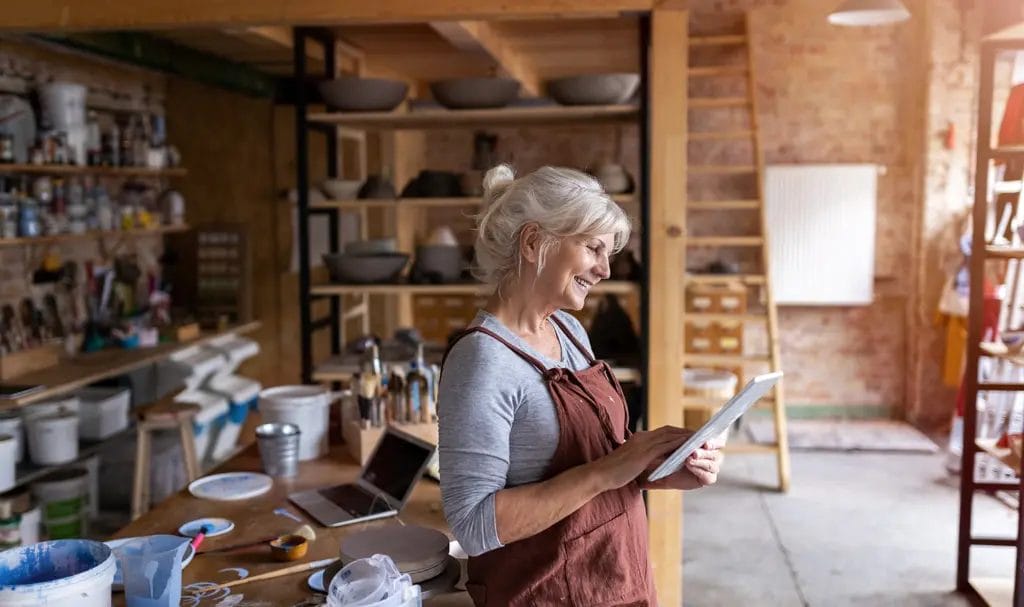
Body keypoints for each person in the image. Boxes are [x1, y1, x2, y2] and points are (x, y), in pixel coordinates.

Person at [437, 164, 724, 607]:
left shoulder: (569, 330)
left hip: (613, 579)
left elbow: (601, 461)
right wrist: (608, 471)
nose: (605, 269)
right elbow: (473, 525)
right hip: (545, 594)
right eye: (593, 248)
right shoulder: (482, 360)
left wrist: (664, 469)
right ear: (534, 242)